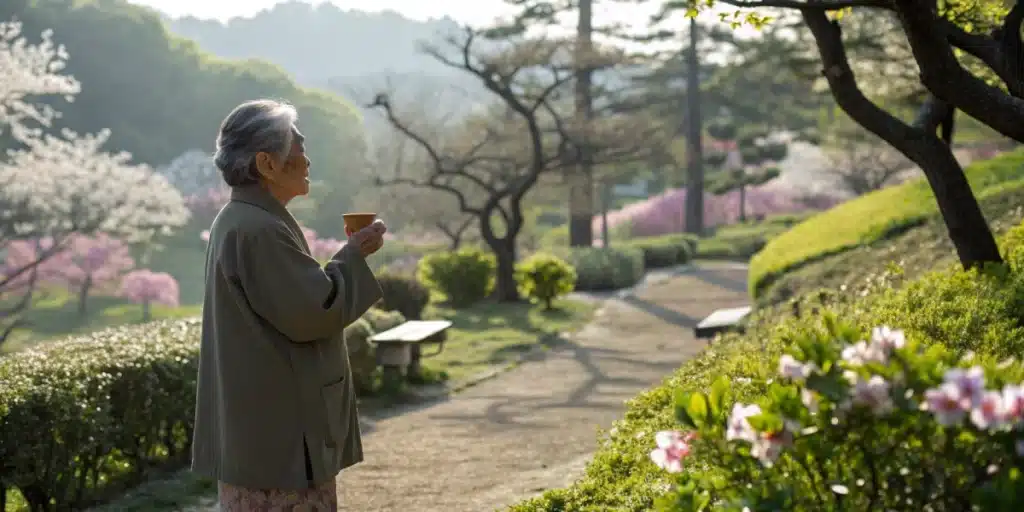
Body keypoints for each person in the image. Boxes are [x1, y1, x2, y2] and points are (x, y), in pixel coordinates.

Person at [191, 99, 385, 511]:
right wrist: (352, 256)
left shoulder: (241, 218)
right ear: (267, 163)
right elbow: (314, 313)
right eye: (298, 148)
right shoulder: (259, 228)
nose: (308, 160)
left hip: (261, 429)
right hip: (280, 440)